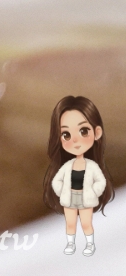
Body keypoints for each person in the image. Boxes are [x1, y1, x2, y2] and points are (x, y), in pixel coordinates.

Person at [45, 95, 114, 256]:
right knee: (70, 224)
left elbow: (100, 181)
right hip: (70, 198)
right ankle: (71, 244)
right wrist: (63, 191)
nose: (75, 140)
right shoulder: (67, 166)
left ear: (97, 133)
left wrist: (93, 192)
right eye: (66, 135)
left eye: (83, 131)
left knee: (86, 223)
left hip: (86, 198)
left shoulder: (92, 166)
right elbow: (56, 181)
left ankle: (90, 244)